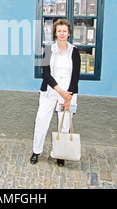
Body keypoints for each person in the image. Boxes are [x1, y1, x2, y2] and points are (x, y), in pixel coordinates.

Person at [30, 18, 81, 167]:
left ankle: (60, 153)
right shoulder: (47, 50)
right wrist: (60, 91)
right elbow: (45, 74)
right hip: (50, 91)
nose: (62, 34)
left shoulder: (75, 51)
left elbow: (76, 75)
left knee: (64, 124)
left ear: (69, 33)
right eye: (59, 31)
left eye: (64, 31)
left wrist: (68, 95)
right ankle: (36, 151)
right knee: (41, 121)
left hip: (69, 94)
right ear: (55, 33)